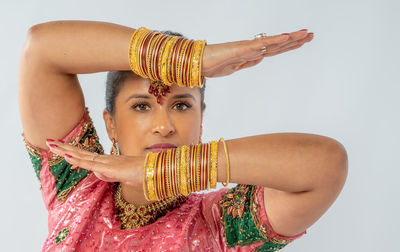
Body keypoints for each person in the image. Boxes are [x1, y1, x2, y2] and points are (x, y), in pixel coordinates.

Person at [18, 20, 347, 251]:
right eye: (142, 107)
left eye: (181, 105)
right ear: (111, 124)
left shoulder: (219, 225)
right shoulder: (76, 184)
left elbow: (327, 165)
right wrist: (191, 58)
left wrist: (157, 171)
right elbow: (42, 49)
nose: (164, 126)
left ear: (201, 121)